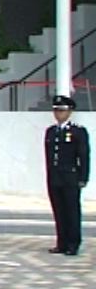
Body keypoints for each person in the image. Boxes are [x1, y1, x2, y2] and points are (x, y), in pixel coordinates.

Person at [44, 95, 90, 256]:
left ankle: (73, 243)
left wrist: (83, 177)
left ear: (70, 112)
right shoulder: (51, 131)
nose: (58, 114)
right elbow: (49, 157)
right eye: (56, 110)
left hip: (71, 177)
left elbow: (84, 155)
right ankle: (61, 242)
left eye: (62, 111)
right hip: (55, 177)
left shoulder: (77, 131)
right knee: (59, 211)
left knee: (71, 210)